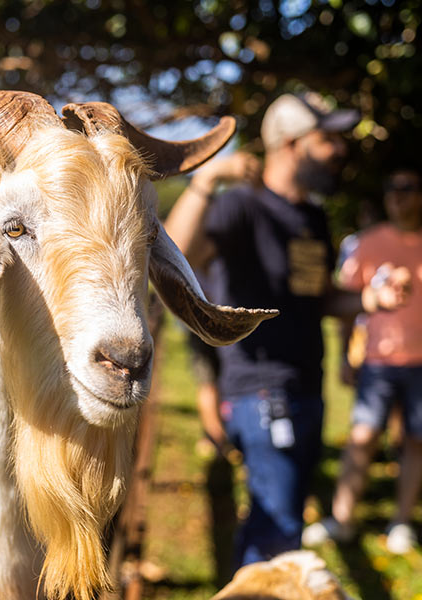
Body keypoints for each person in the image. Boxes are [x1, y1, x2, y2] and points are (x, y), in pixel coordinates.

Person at [164, 91, 409, 569]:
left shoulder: (313, 218)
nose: (340, 150)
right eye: (327, 140)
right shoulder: (241, 207)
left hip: (307, 389)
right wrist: (207, 178)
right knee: (278, 532)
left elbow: (317, 299)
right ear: (291, 144)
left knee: (280, 519)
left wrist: (370, 300)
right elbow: (176, 256)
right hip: (260, 391)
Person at [303, 169, 422, 554]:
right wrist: (347, 355)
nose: (397, 196)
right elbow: (345, 305)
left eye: (406, 189)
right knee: (363, 437)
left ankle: (402, 522)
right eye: (391, 188)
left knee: (416, 443)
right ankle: (343, 518)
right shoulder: (369, 244)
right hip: (378, 361)